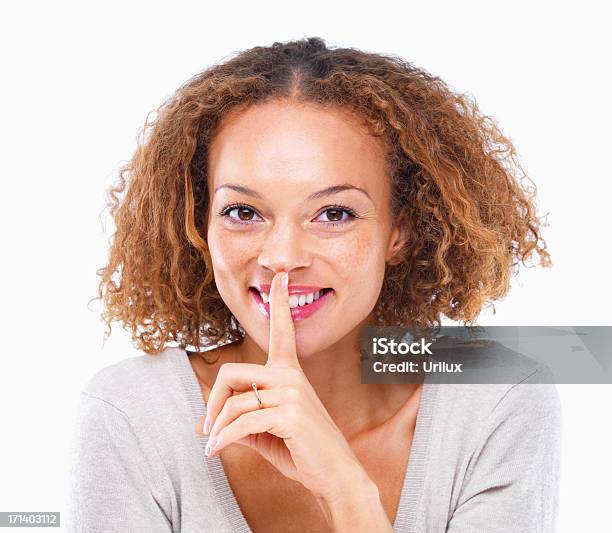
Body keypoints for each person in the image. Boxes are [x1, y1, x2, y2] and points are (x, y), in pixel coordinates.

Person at [67, 37, 561, 532]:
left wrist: (347, 492)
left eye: (334, 213)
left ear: (400, 230)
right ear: (201, 227)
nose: (282, 257)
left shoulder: (497, 397)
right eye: (243, 212)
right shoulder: (130, 415)